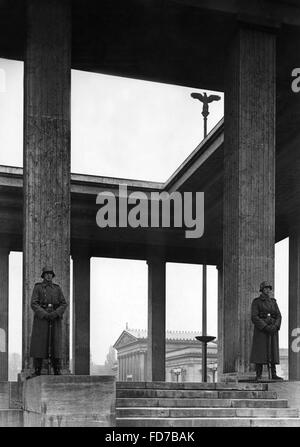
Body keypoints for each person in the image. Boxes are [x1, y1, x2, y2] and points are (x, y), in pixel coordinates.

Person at [29, 266, 67, 376]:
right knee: (39, 344)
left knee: (56, 343)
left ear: (52, 276)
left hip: (55, 319)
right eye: (46, 274)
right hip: (42, 319)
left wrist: (55, 313)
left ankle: (57, 369)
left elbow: (64, 303)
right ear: (43, 276)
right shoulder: (38, 287)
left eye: (50, 274)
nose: (49, 276)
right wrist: (45, 314)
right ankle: (37, 370)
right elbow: (34, 303)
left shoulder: (57, 288)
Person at [250, 281, 283, 382]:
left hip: (273, 329)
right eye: (265, 288)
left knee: (272, 350)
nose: (268, 290)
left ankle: (273, 373)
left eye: (269, 288)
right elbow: (254, 317)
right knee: (260, 351)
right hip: (261, 331)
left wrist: (276, 326)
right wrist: (264, 327)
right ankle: (258, 374)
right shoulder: (256, 302)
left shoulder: (273, 302)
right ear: (262, 290)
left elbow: (278, 315)